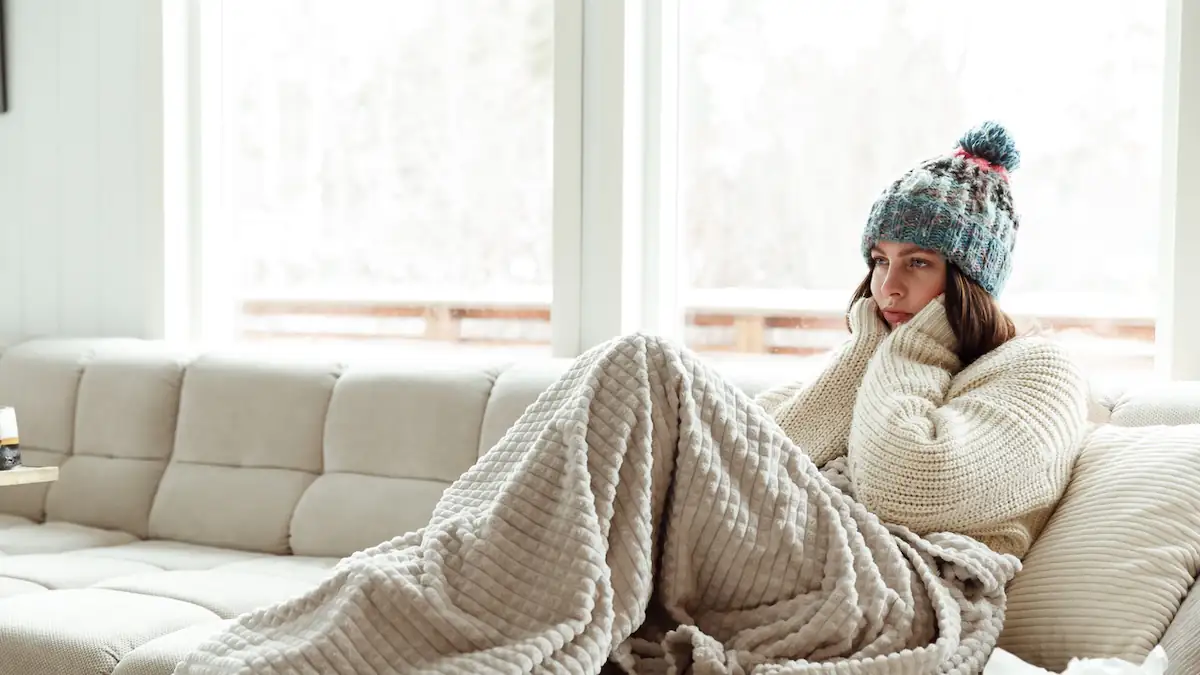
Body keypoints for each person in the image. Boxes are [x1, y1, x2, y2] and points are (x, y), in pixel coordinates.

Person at [756, 120, 1089, 558]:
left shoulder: (1039, 371)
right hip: (786, 551)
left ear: (968, 278)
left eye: (916, 262)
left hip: (904, 583)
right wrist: (864, 353)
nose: (887, 287)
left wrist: (916, 346)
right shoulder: (873, 354)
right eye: (879, 260)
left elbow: (905, 489)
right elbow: (747, 461)